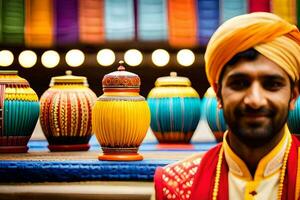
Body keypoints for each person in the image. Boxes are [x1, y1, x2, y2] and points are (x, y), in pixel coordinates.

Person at [153, 12, 300, 200]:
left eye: (272, 84)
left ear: (293, 95)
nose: (255, 100)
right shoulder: (176, 187)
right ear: (218, 94)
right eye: (239, 83)